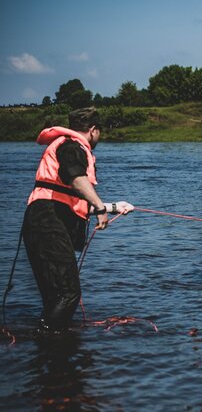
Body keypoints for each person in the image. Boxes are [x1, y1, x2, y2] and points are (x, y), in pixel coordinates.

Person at [22, 107, 134, 334]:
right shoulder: (71, 146)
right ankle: (49, 341)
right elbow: (75, 178)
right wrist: (101, 207)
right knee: (68, 293)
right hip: (47, 223)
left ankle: (46, 351)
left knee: (56, 296)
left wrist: (112, 207)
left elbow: (70, 200)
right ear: (93, 130)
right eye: (99, 132)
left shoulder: (65, 145)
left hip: (42, 221)